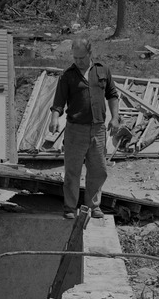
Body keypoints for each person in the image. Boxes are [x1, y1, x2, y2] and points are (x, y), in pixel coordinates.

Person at [49, 36, 120, 219]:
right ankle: (70, 208)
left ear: (90, 54)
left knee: (98, 169)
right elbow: (58, 102)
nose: (78, 61)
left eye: (82, 58)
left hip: (98, 129)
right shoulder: (68, 76)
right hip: (75, 130)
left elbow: (112, 95)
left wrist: (115, 118)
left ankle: (93, 206)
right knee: (73, 171)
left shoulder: (102, 71)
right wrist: (54, 119)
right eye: (75, 58)